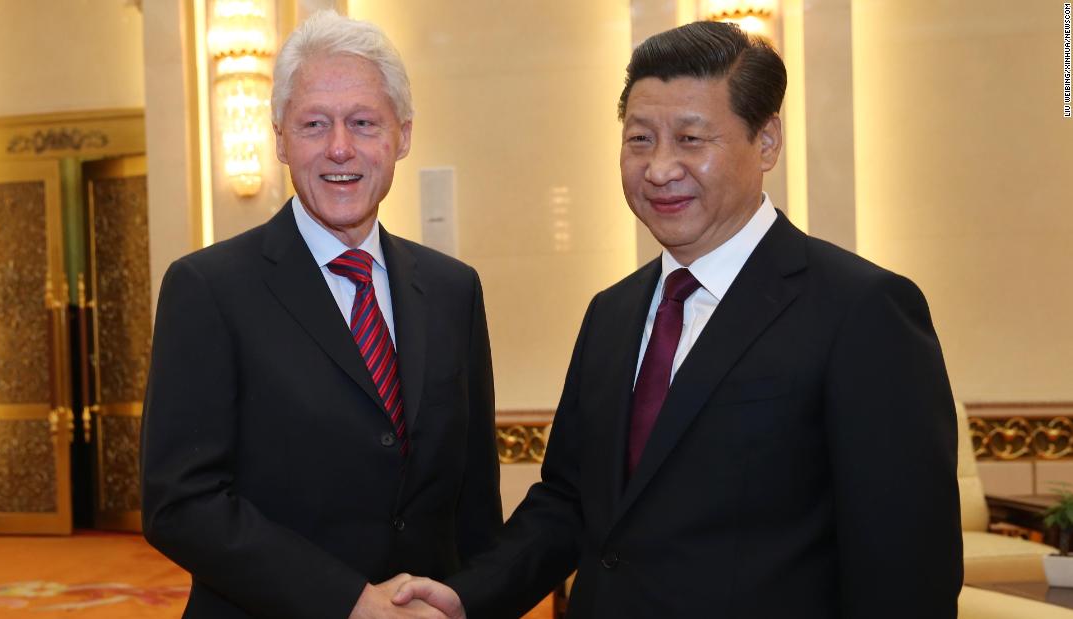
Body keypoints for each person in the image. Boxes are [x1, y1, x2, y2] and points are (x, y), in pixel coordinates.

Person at [393, 20, 962, 619]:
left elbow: (906, 570)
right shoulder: (611, 313)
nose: (660, 168)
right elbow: (568, 501)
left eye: (691, 139)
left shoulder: (861, 310)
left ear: (766, 142)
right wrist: (464, 596)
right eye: (640, 139)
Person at [140, 11, 502, 619]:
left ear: (402, 136)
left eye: (364, 123)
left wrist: (474, 601)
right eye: (314, 124)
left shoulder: (453, 290)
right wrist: (349, 602)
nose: (340, 147)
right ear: (280, 137)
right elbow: (180, 502)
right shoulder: (208, 288)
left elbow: (472, 496)